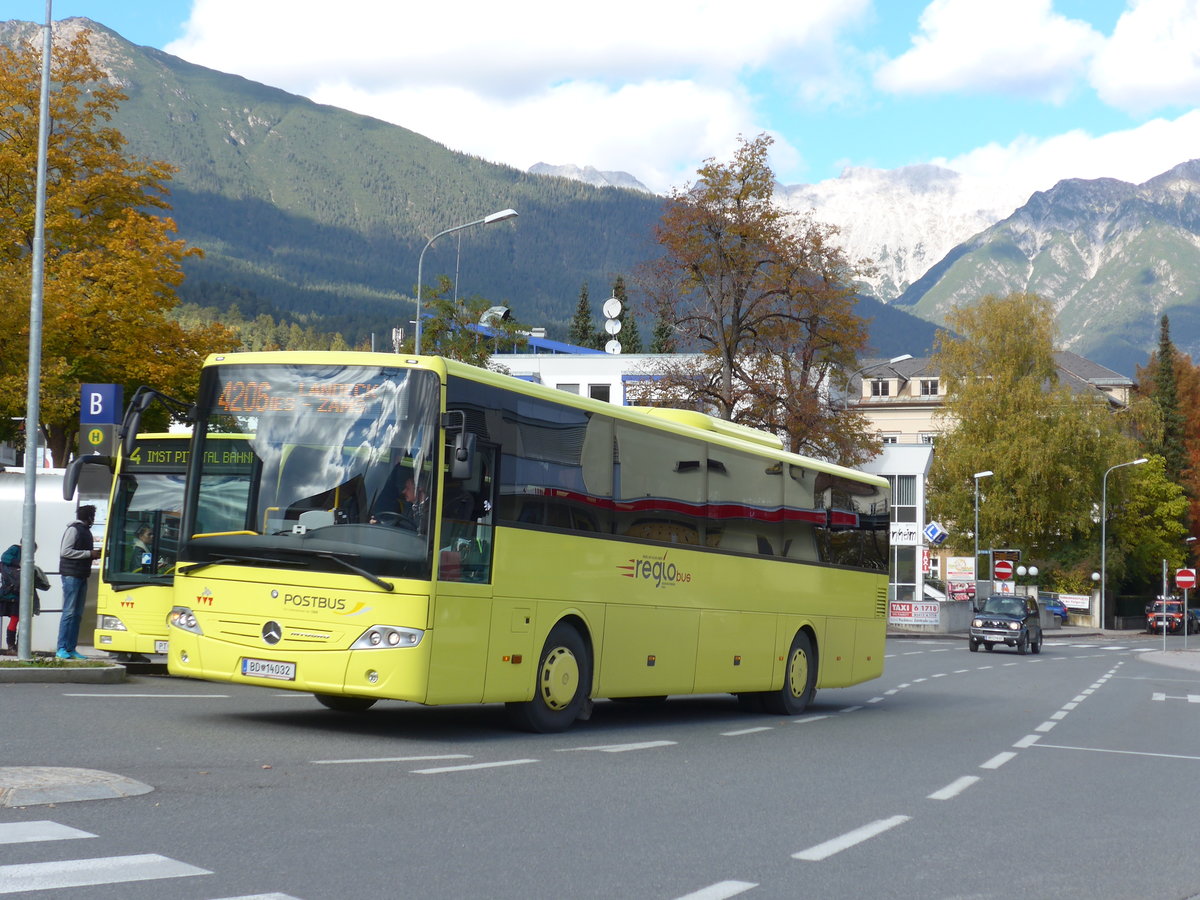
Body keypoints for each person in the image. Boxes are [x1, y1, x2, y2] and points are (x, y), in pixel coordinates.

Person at [58, 504, 100, 660]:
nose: (93, 520)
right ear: (89, 517)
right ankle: (62, 648)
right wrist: (90, 553)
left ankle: (70, 648)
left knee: (77, 614)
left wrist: (92, 555)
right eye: (93, 516)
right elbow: (65, 551)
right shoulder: (74, 529)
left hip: (80, 574)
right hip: (71, 575)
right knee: (69, 612)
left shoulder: (83, 531)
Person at [1, 543, 50, 655]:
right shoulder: (15, 549)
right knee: (16, 619)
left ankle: (17, 647)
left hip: (20, 593)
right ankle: (12, 647)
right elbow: (4, 558)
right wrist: (21, 564)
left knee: (22, 620)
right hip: (14, 594)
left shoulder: (22, 558)